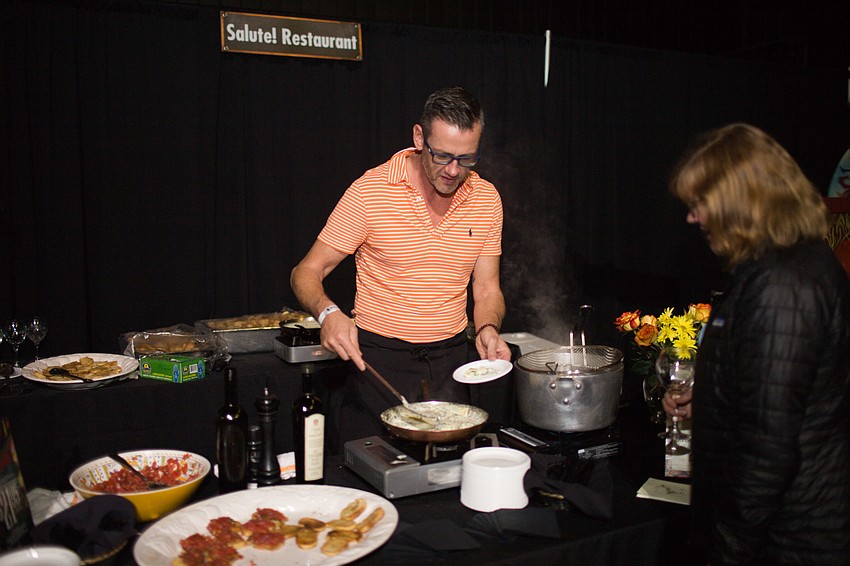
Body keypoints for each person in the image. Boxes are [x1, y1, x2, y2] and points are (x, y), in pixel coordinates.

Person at [663, 123, 850, 565]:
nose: (693, 218)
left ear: (738, 202)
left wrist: (729, 548)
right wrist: (708, 398)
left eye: (699, 204)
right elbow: (777, 394)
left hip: (789, 538)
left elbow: (770, 450)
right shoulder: (781, 265)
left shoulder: (784, 284)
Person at [290, 86, 511, 441]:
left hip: (451, 365)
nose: (454, 171)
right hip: (379, 366)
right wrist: (328, 315)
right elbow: (306, 271)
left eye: (467, 159)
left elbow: (486, 289)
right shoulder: (370, 191)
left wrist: (487, 328)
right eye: (443, 156)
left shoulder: (485, 198)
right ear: (419, 137)